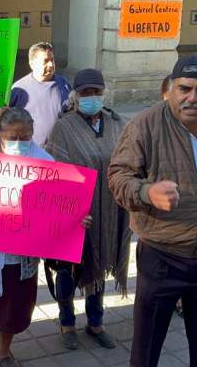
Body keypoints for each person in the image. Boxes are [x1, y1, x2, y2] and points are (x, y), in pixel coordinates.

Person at [108, 55, 197, 367]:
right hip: (162, 257)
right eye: (184, 88)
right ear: (171, 89)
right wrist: (147, 192)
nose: (192, 97)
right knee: (146, 351)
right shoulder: (145, 125)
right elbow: (117, 178)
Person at [0, 107, 92, 367]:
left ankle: (3, 351)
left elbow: (61, 204)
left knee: (12, 306)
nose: (21, 143)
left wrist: (76, 220)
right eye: (13, 136)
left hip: (19, 254)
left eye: (26, 137)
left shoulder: (45, 161)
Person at [45, 69, 130, 350]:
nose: (91, 97)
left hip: (108, 209)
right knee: (68, 270)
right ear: (75, 96)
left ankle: (96, 322)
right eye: (85, 93)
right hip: (73, 213)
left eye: (96, 92)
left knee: (101, 261)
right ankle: (67, 322)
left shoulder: (116, 123)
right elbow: (57, 169)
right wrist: (71, 208)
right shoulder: (64, 127)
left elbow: (128, 159)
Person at [8, 42, 72, 147]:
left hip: (59, 151)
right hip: (32, 153)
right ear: (32, 64)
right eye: (46, 61)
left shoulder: (63, 84)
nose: (51, 65)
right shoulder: (19, 89)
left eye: (52, 60)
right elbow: (8, 121)